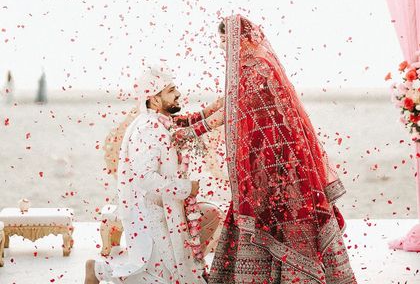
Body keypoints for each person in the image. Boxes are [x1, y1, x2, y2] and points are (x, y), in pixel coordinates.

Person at [209, 15, 357, 284]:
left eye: (225, 41)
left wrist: (287, 160)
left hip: (279, 160)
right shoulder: (240, 71)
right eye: (220, 42)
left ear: (242, 39)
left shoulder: (262, 67)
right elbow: (228, 111)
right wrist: (190, 127)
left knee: (284, 215)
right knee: (260, 214)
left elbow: (283, 115)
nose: (222, 47)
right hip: (256, 161)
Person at [85, 64, 224, 284]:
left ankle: (100, 271)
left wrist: (214, 109)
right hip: (151, 214)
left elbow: (188, 124)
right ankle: (100, 271)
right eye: (171, 90)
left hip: (165, 209)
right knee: (161, 277)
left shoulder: (160, 122)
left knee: (167, 272)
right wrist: (187, 188)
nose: (178, 93)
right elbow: (146, 178)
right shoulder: (148, 128)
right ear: (155, 99)